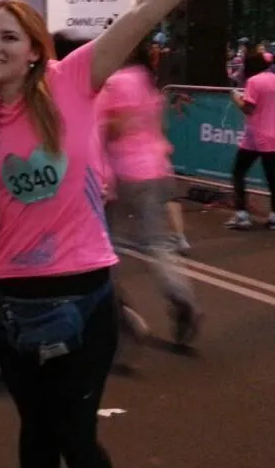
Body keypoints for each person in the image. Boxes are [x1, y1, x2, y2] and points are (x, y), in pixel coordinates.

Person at [0, 0, 262, 467]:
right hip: (10, 299)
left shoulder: (72, 79)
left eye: (9, 36)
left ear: (34, 51)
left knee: (76, 440)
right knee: (35, 438)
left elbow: (145, 9)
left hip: (85, 294)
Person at [99, 42, 201, 342]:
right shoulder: (147, 82)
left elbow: (116, 127)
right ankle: (181, 295)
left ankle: (116, 307)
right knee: (157, 243)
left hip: (125, 171)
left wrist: (98, 125)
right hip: (157, 166)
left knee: (106, 244)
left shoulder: (116, 82)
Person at [226, 51, 275, 230]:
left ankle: (241, 215)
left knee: (238, 172)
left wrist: (236, 97)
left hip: (254, 135)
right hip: (274, 134)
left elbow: (249, 109)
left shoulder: (253, 81)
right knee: (273, 178)